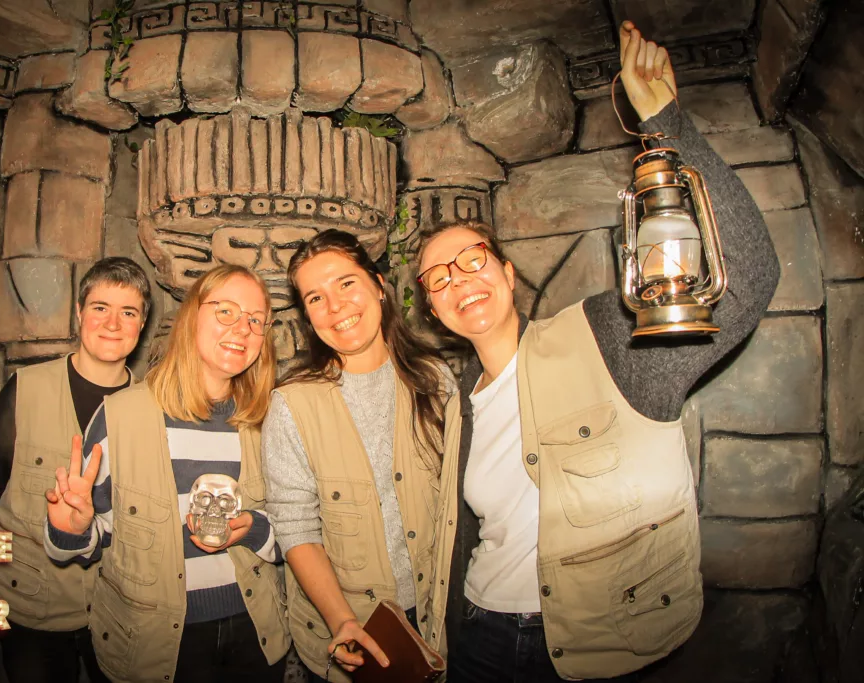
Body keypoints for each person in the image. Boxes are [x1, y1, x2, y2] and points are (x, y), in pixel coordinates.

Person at [418, 21, 781, 683]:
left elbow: (747, 282)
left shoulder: (605, 337)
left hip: (598, 645)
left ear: (506, 274)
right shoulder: (457, 399)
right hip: (481, 633)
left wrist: (665, 124)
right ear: (433, 309)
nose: (458, 280)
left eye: (472, 260)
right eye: (437, 277)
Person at [43, 264, 290, 683]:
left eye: (256, 320)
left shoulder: (269, 421)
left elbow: (298, 536)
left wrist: (253, 529)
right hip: (153, 648)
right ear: (192, 316)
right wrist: (71, 530)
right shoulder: (121, 416)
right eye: (226, 311)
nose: (242, 328)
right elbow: (95, 537)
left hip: (255, 636)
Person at [262, 229, 453, 682]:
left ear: (379, 286)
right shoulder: (292, 405)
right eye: (315, 298)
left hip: (438, 617)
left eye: (346, 283)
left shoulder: (436, 381)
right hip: (353, 627)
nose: (335, 306)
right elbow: (295, 525)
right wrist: (342, 620)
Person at [0, 257, 151, 683]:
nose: (113, 323)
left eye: (128, 312)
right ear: (79, 313)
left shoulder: (152, 408)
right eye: (101, 307)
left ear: (142, 324)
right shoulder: (24, 390)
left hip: (118, 611)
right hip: (31, 609)